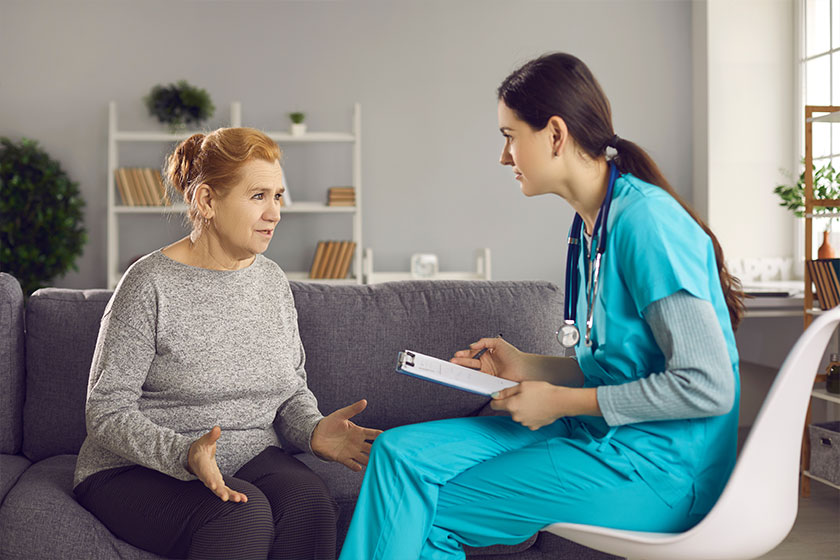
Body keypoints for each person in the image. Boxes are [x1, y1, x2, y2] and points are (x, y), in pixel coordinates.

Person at [338, 52, 745, 560]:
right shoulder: (591, 228)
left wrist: (558, 401)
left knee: (422, 506)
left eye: (510, 135)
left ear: (555, 134)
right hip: (603, 438)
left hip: (661, 469)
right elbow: (621, 370)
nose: (504, 156)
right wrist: (526, 366)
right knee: (398, 457)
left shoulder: (648, 225)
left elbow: (709, 386)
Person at [73, 127, 381, 560]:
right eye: (258, 196)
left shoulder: (273, 282)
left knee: (310, 504)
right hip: (136, 467)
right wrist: (184, 453)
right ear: (206, 201)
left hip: (250, 455)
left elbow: (289, 390)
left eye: (278, 196)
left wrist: (312, 431)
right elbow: (106, 411)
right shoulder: (149, 284)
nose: (274, 212)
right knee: (240, 515)